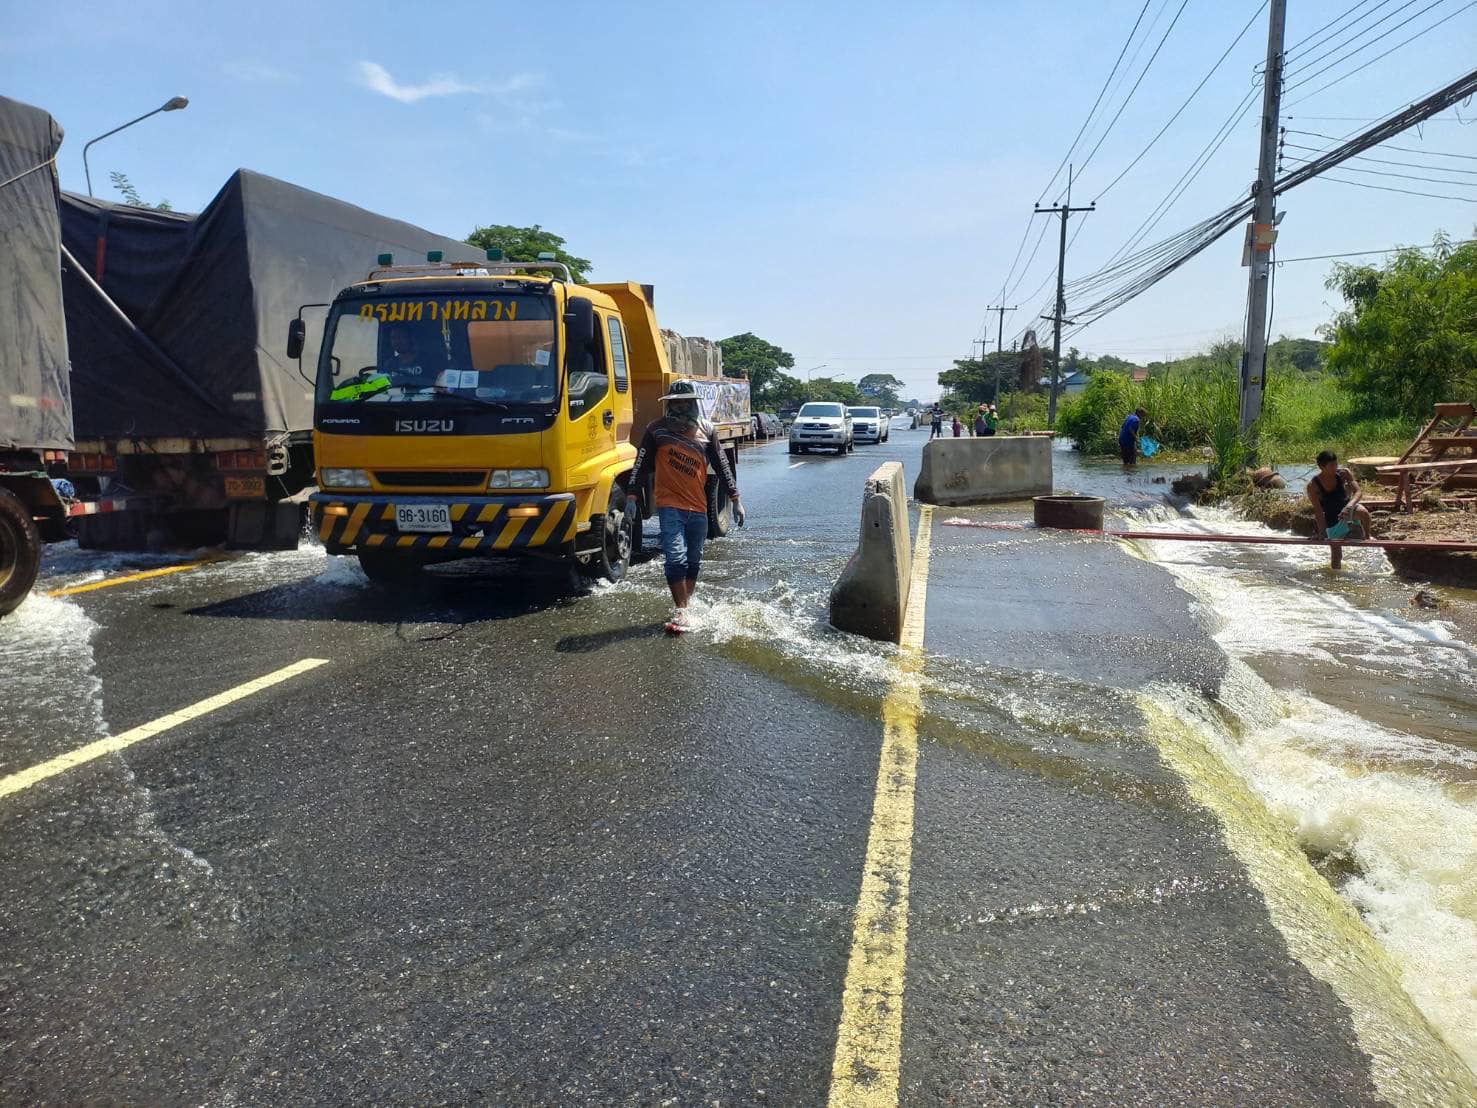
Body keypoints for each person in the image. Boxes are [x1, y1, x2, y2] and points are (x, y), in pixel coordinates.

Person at [628, 379, 742, 632]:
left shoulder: (707, 430)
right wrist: (632, 497)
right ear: (669, 405)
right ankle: (681, 611)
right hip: (669, 505)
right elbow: (641, 464)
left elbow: (722, 465)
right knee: (675, 559)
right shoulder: (656, 430)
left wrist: (735, 499)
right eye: (676, 403)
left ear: (694, 404)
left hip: (698, 506)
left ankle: (685, 607)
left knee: (693, 561)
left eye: (686, 403)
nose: (681, 407)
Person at [1307, 450, 1373, 541]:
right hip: (1332, 519)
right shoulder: (1313, 486)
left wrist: (1349, 506)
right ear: (1321, 467)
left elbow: (1358, 492)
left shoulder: (1344, 473)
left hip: (1347, 511)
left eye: (1336, 464)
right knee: (1335, 545)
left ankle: (1367, 537)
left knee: (1363, 512)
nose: (1335, 468)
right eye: (1331, 466)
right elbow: (1318, 512)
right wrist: (1322, 533)